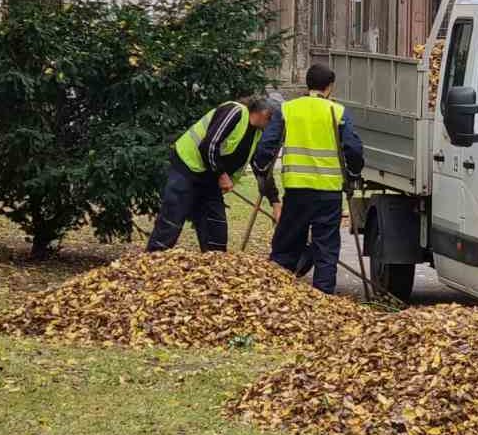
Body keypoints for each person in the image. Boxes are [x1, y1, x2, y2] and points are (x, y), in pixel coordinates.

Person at [269, 63, 364, 294]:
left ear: (307, 83)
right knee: (326, 248)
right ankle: (323, 299)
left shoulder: (288, 109)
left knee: (288, 242)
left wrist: (262, 169)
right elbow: (353, 148)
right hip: (328, 192)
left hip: (297, 190)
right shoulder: (337, 112)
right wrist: (353, 175)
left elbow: (268, 144)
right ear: (329, 87)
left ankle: (278, 294)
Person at [147, 96, 277, 253]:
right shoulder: (235, 111)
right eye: (272, 120)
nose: (271, 126)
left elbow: (260, 168)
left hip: (210, 179)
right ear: (264, 113)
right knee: (171, 222)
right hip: (187, 168)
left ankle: (214, 269)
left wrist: (275, 202)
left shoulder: (256, 134)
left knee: (216, 230)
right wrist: (222, 175)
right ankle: (152, 261)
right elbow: (208, 145)